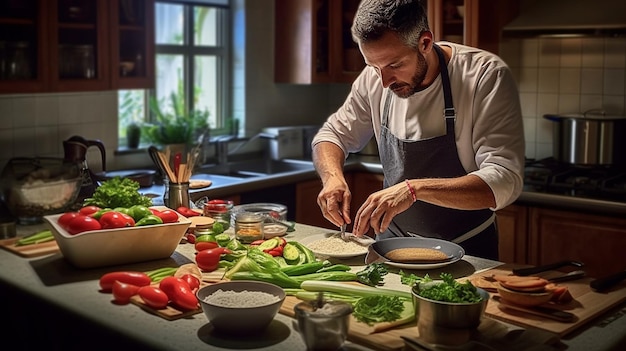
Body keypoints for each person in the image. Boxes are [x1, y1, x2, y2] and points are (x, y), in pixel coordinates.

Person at [311, 0, 524, 260]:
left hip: (466, 252)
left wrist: (414, 190)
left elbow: (504, 179)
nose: (384, 81)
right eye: (373, 66)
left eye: (395, 65)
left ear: (425, 43)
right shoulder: (375, 79)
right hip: (390, 246)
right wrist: (332, 177)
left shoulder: (484, 75)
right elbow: (332, 134)